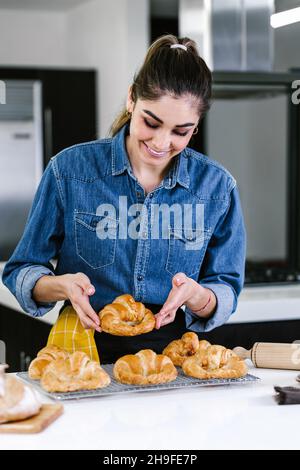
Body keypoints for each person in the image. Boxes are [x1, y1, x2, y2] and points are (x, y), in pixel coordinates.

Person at [2, 34, 246, 364]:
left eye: (181, 131)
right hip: (80, 353)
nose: (162, 142)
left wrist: (199, 295)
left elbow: (226, 286)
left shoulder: (217, 188)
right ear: (132, 100)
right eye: (151, 122)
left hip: (174, 361)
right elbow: (21, 270)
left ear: (196, 125)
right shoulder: (70, 171)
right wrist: (63, 286)